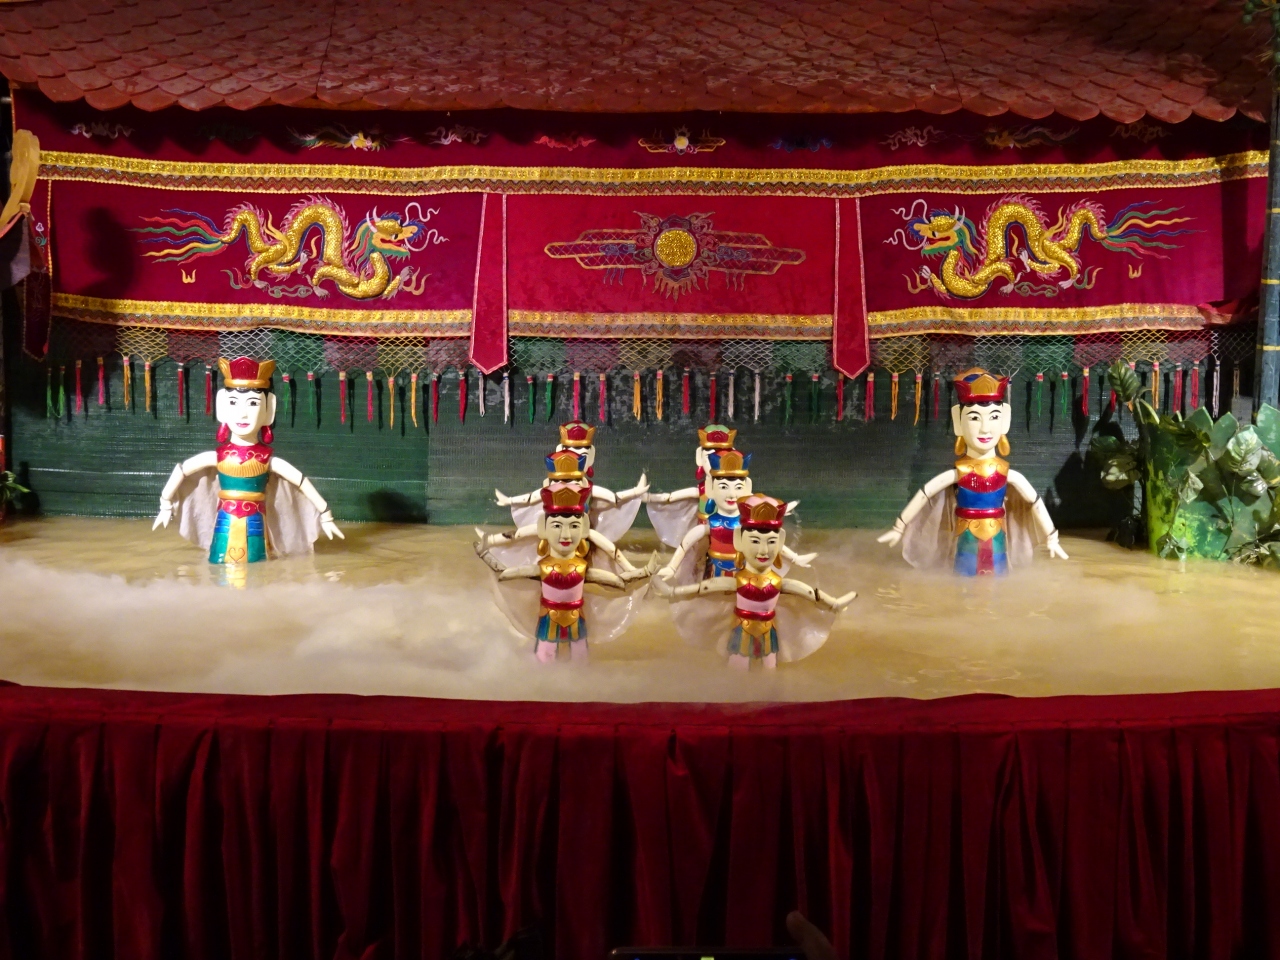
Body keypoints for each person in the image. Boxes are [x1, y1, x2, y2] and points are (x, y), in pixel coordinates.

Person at [877, 367, 1068, 575]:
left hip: (997, 538)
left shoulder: (1008, 474)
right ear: (958, 422)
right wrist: (899, 527)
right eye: (975, 418)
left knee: (998, 579)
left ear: (1005, 420)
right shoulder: (959, 472)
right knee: (964, 579)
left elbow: (1035, 503)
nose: (985, 428)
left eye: (994, 417)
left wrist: (1052, 537)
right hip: (965, 537)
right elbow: (925, 494)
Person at [153, 356, 342, 564]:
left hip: (256, 523)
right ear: (222, 407)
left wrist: (325, 514)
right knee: (221, 562)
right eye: (233, 402)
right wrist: (165, 503)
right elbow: (182, 470)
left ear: (269, 410)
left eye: (253, 403)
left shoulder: (267, 460)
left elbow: (300, 481)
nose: (242, 414)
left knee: (256, 563)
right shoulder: (218, 456)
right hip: (224, 522)